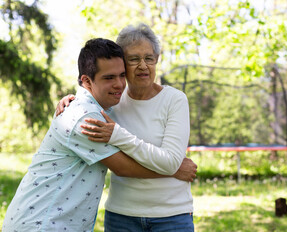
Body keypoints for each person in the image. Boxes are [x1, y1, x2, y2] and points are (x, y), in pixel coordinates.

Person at [2, 38, 196, 232]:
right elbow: (123, 168)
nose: (120, 84)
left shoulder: (100, 108)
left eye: (121, 75)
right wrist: (174, 168)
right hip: (42, 222)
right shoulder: (85, 118)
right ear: (86, 81)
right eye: (109, 78)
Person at [56, 23, 195, 232]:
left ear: (156, 60)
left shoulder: (174, 100)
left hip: (171, 216)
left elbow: (170, 161)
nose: (143, 65)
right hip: (122, 216)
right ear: (122, 64)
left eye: (149, 58)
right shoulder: (112, 101)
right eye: (133, 59)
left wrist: (118, 135)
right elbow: (86, 103)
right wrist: (69, 101)